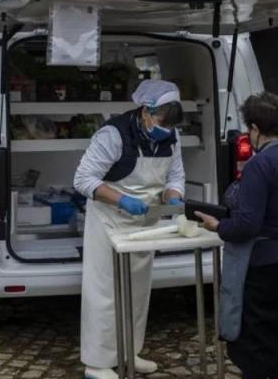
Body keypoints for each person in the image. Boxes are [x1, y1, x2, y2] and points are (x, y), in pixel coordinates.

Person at [196, 92, 278, 379]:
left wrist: (217, 226)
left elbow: (247, 225)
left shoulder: (260, 165)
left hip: (265, 265)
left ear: (255, 129)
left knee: (256, 342)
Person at [74, 79, 186, 379]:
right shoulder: (113, 135)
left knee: (137, 292)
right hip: (109, 221)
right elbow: (83, 179)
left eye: (169, 126)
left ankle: (129, 352)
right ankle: (97, 363)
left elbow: (175, 176)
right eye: (160, 123)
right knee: (105, 293)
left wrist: (173, 197)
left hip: (145, 224)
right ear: (145, 111)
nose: (165, 130)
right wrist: (122, 200)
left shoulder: (170, 137)